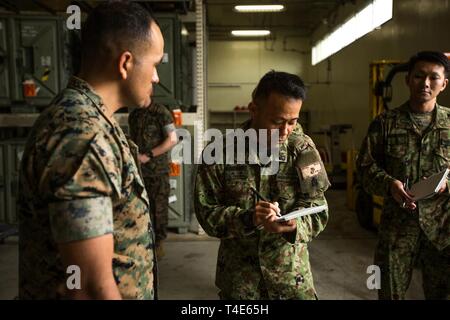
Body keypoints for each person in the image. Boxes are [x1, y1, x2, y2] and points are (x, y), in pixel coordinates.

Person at [18, 1, 164, 299]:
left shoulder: (90, 120)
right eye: (155, 64)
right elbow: (88, 286)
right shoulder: (82, 134)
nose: (156, 78)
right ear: (125, 63)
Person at [194, 70, 330, 299]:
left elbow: (319, 209)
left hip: (291, 281)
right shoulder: (219, 153)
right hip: (240, 283)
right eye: (277, 122)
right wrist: (248, 219)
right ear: (254, 110)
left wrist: (295, 225)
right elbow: (206, 212)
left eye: (293, 122)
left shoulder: (303, 149)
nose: (285, 132)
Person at [357, 51, 450, 300]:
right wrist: (389, 184)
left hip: (442, 229)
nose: (426, 83)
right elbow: (364, 168)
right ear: (408, 79)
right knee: (388, 293)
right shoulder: (385, 123)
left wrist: (447, 184)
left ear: (444, 84)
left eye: (434, 77)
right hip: (396, 229)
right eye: (419, 76)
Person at [128, 102, 178, 258]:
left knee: (158, 208)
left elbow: (172, 139)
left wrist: (148, 155)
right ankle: (142, 242)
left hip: (157, 171)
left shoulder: (161, 112)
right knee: (138, 208)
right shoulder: (134, 114)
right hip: (138, 171)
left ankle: (158, 245)